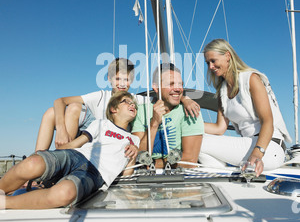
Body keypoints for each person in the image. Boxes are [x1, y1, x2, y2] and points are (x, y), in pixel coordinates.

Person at [0, 91, 139, 210]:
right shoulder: (101, 124)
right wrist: (49, 156)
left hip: (96, 174)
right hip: (77, 154)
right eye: (126, 102)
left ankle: (5, 202)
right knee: (33, 162)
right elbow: (77, 144)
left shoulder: (134, 140)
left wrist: (133, 154)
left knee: (64, 194)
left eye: (134, 105)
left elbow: (126, 174)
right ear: (114, 109)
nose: (132, 105)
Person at [35, 58, 200, 151]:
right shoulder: (101, 96)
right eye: (118, 79)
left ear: (132, 80)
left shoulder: (136, 100)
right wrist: (62, 130)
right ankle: (42, 160)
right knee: (55, 111)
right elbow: (59, 101)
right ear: (109, 79)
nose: (122, 84)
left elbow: (162, 99)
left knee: (73, 107)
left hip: (112, 138)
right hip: (90, 132)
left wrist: (185, 99)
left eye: (126, 79)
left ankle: (58, 162)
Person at [199, 39, 292, 176]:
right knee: (193, 138)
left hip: (269, 147)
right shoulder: (222, 91)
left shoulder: (251, 79)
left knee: (197, 141)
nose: (210, 67)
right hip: (247, 143)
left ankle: (220, 175)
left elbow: (267, 121)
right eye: (208, 63)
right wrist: (187, 125)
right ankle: (221, 178)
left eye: (213, 61)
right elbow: (219, 128)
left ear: (227, 56)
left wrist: (257, 153)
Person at [131, 63, 204, 168]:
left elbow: (190, 159)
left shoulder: (190, 111)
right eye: (171, 84)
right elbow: (138, 155)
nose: (178, 89)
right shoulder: (142, 111)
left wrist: (155, 164)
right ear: (156, 87)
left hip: (179, 176)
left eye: (180, 84)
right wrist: (154, 123)